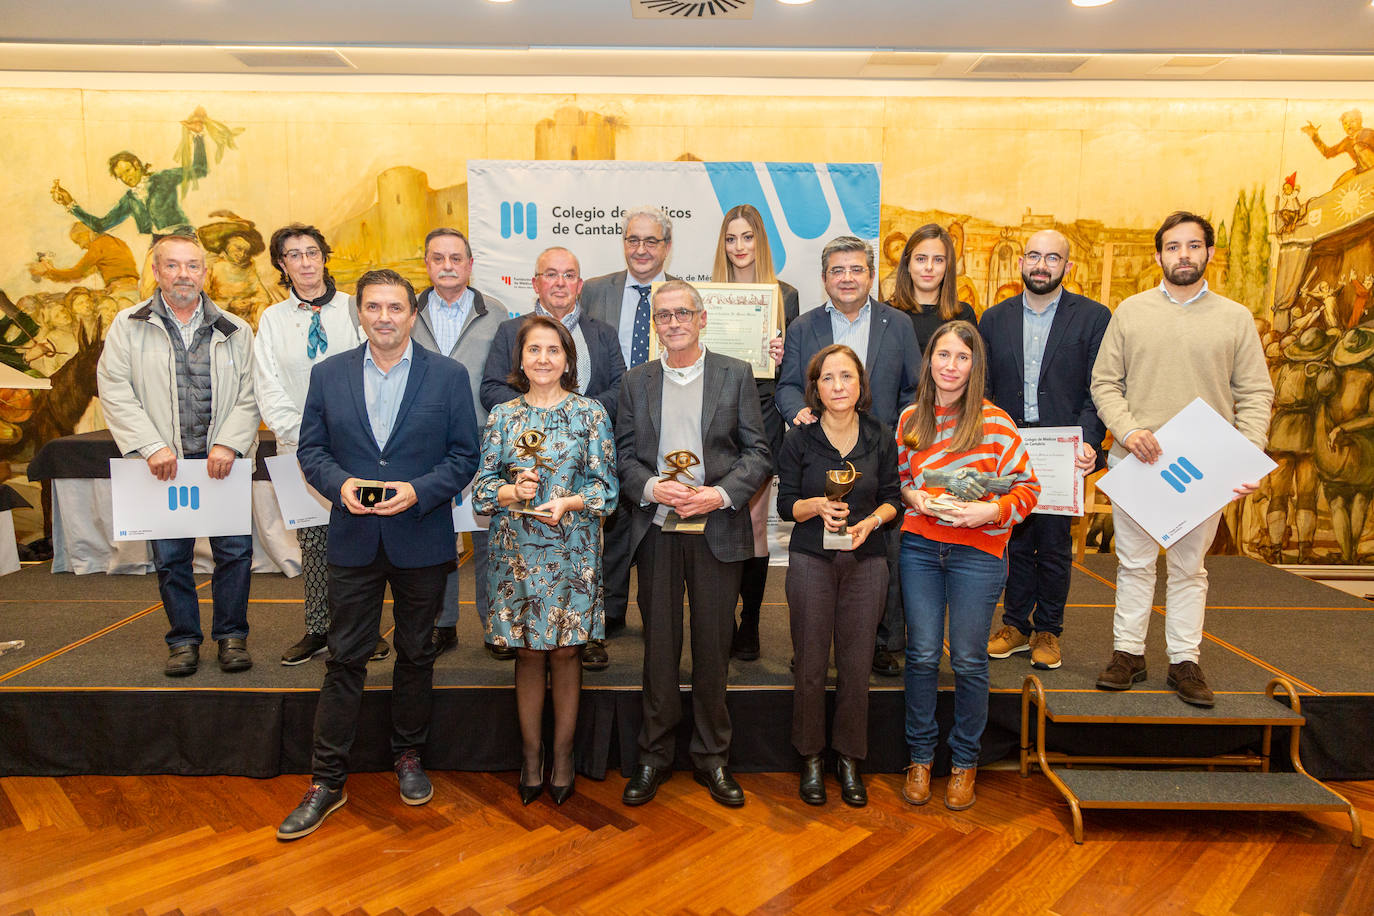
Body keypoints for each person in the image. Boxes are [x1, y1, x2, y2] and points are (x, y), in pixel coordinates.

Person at [278, 269, 479, 841]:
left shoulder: (447, 376)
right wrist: (338, 484)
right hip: (355, 539)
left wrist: (420, 492)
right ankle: (326, 780)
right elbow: (311, 449)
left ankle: (408, 757)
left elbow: (465, 457)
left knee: (416, 653)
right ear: (358, 313)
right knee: (344, 657)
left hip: (421, 538)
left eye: (396, 307)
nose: (385, 317)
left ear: (412, 316)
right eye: (374, 307)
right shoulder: (328, 374)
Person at [1090, 211, 1274, 707]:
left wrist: (1246, 456)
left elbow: (1256, 392)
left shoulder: (1234, 318)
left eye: (1194, 246)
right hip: (1138, 462)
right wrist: (1128, 429)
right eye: (1173, 247)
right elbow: (1105, 383)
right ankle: (1128, 654)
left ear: (1209, 254)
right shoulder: (1130, 312)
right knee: (1133, 564)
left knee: (1191, 569)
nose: (1183, 255)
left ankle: (1184, 661)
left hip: (1203, 470)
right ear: (1159, 256)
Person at [617, 280, 771, 808]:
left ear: (702, 318)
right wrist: (649, 486)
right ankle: (653, 755)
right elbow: (622, 457)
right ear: (655, 324)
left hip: (716, 530)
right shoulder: (635, 381)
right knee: (659, 648)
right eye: (664, 315)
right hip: (657, 530)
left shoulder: (735, 374)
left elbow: (758, 453)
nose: (674, 322)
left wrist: (719, 496)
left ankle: (712, 758)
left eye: (683, 312)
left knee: (712, 647)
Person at [96, 234, 260, 677]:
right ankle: (184, 640)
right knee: (171, 558)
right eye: (173, 266)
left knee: (235, 554)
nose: (183, 274)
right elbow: (114, 388)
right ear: (156, 271)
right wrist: (151, 446)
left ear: (205, 273)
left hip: (220, 465)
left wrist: (229, 442)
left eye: (192, 266)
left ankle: (231, 637)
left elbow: (250, 392)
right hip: (161, 468)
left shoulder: (235, 328)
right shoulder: (127, 325)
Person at [472, 315, 618, 805]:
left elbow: (607, 490)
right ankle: (530, 759)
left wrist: (570, 502)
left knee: (567, 652)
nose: (542, 359)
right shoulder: (503, 417)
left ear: (567, 359)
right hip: (516, 554)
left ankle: (563, 758)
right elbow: (482, 490)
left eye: (553, 350)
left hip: (572, 551)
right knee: (529, 654)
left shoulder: (591, 414)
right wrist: (513, 490)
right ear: (520, 359)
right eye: (533, 350)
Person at [897, 320, 1039, 811]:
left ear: (975, 365)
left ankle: (963, 762)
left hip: (977, 553)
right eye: (942, 356)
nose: (950, 366)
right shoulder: (910, 419)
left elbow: (1028, 489)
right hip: (920, 549)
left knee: (968, 659)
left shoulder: (997, 423)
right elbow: (901, 481)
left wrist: (990, 511)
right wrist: (914, 495)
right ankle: (919, 757)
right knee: (919, 655)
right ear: (929, 361)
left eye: (961, 357)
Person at [776, 235, 920, 677]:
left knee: (880, 554)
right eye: (837, 270)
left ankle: (878, 641)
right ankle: (813, 647)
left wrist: (893, 437)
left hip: (878, 452)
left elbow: (914, 387)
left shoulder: (898, 324)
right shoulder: (803, 327)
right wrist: (800, 412)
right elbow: (785, 386)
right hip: (822, 451)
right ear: (823, 279)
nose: (847, 278)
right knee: (818, 555)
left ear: (871, 276)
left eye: (856, 269)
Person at [480, 246, 625, 671]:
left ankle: (587, 638)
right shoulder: (510, 335)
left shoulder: (602, 334)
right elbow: (491, 388)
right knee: (527, 656)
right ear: (536, 281)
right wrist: (536, 419)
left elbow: (620, 389)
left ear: (580, 284)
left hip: (575, 508)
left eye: (569, 275)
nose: (560, 282)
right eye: (550, 274)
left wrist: (573, 418)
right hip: (518, 531)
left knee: (568, 650)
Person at [253, 223, 390, 667]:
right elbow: (267, 384)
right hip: (299, 448)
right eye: (294, 255)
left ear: (325, 257)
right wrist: (303, 435)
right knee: (312, 541)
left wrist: (350, 435)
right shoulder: (273, 320)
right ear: (281, 264)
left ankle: (362, 630)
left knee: (363, 539)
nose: (306, 262)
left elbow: (375, 373)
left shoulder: (357, 309)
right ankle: (318, 627)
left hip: (357, 447)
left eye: (312, 252)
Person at [979, 230, 1109, 670]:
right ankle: (1015, 625)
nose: (1041, 265)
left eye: (1052, 258)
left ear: (1067, 267)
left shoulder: (1093, 318)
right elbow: (985, 389)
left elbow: (1101, 388)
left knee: (1053, 546)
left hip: (1062, 450)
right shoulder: (993, 320)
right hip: (1009, 447)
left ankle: (1048, 631)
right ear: (1021, 262)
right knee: (1012, 540)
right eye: (1034, 256)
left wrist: (1090, 440)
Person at [777, 344, 899, 807]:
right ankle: (810, 758)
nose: (838, 386)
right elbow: (785, 501)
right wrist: (814, 507)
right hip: (811, 560)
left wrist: (872, 521)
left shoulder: (879, 435)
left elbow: (893, 496)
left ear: (860, 384)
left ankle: (849, 759)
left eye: (846, 377)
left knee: (855, 667)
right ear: (815, 389)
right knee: (809, 664)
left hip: (867, 562)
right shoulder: (799, 439)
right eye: (828, 379)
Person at [580, 206, 682, 664]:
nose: (641, 249)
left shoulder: (680, 297)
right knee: (611, 516)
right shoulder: (596, 290)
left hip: (664, 424)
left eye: (652, 241)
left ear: (666, 247)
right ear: (623, 243)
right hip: (604, 417)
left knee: (654, 519)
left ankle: (657, 611)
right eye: (632, 240)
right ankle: (611, 610)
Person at [410, 228, 508, 659]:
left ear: (470, 265)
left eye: (456, 258)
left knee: (490, 538)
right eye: (437, 258)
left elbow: (508, 378)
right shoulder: (407, 311)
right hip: (422, 444)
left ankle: (494, 625)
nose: (447, 266)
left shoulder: (497, 312)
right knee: (436, 538)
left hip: (485, 440)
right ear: (427, 265)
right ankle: (442, 623)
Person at [710, 204, 800, 661]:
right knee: (718, 520)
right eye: (731, 238)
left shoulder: (786, 295)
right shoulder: (706, 295)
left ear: (760, 241)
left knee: (753, 524)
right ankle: (721, 617)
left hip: (762, 416)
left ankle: (750, 624)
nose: (739, 247)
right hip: (716, 417)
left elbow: (795, 373)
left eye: (747, 238)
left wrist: (781, 355)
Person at [889, 223, 978, 355]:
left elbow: (974, 370)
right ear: (908, 264)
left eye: (938, 260)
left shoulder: (963, 315)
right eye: (921, 259)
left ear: (947, 266)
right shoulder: (887, 315)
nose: (929, 267)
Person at [28, 222, 139, 294]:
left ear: (87, 232)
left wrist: (48, 272)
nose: (81, 247)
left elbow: (76, 273)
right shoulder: (114, 242)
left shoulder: (98, 245)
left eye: (78, 241)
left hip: (121, 291)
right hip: (131, 289)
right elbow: (80, 277)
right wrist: (52, 271)